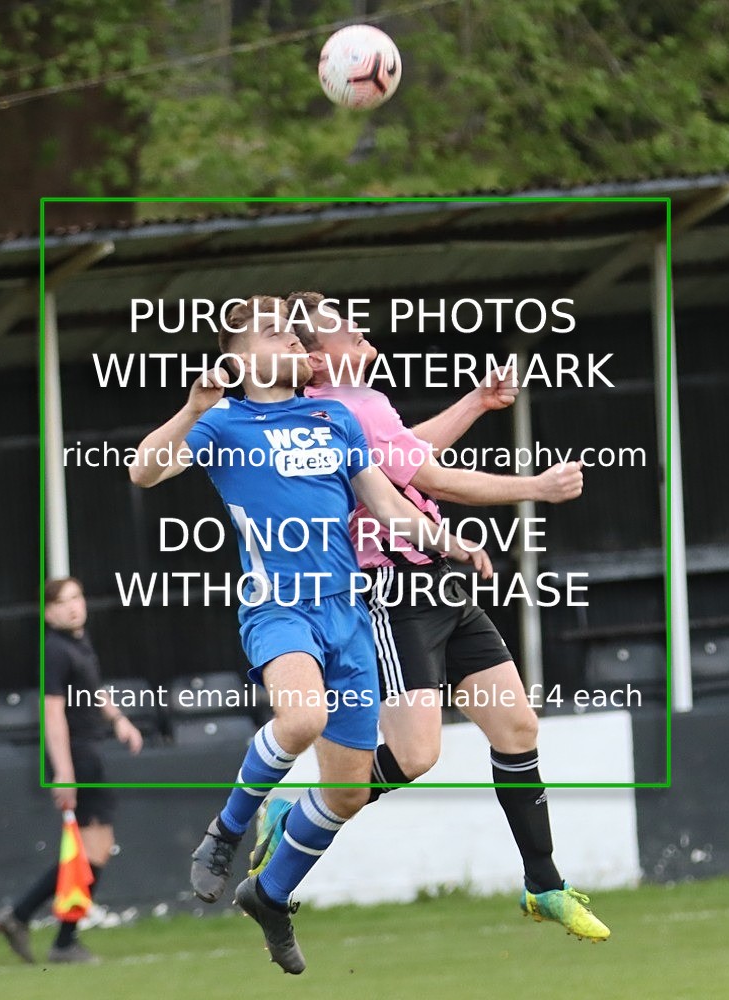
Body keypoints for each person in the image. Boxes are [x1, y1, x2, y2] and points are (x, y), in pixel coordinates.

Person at [128, 296, 489, 974]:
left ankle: (268, 894)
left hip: (348, 614)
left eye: (294, 334)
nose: (292, 340)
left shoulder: (335, 417)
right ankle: (226, 831)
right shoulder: (222, 422)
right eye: (272, 333)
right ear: (239, 360)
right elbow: (144, 470)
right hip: (280, 607)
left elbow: (386, 504)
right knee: (301, 718)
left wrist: (451, 542)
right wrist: (191, 409)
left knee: (347, 792)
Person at [250, 291, 609, 943]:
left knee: (516, 725)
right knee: (416, 755)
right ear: (316, 357)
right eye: (342, 328)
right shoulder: (337, 409)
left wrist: (474, 403)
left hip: (441, 582)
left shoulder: (360, 403)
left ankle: (544, 885)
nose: (359, 329)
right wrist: (535, 488)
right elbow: (434, 480)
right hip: (393, 592)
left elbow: (408, 454)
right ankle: (297, 813)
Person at [0, 577, 143, 964]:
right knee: (92, 849)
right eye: (62, 602)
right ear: (48, 613)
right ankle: (58, 938)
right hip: (76, 757)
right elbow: (53, 713)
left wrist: (119, 720)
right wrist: (64, 771)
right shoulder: (55, 651)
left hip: (88, 752)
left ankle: (24, 917)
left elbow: (93, 689)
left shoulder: (78, 642)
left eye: (76, 597)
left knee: (94, 849)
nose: (73, 606)